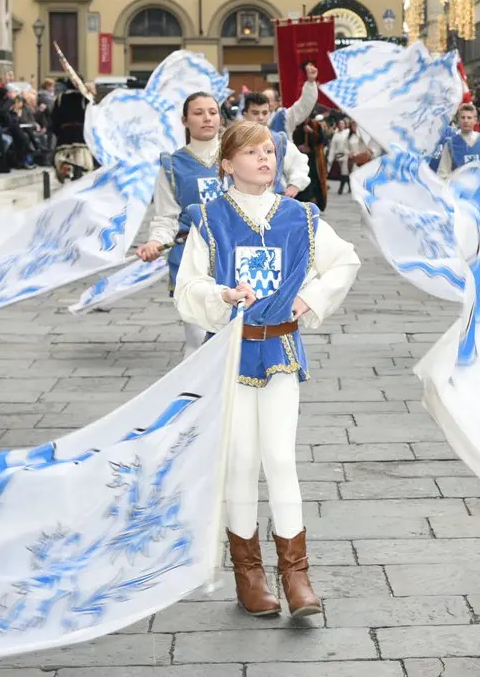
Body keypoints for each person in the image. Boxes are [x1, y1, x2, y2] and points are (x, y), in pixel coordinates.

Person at [175, 120, 361, 618]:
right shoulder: (210, 219)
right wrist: (221, 295)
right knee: (239, 462)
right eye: (252, 152)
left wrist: (309, 296)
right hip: (231, 355)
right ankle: (249, 576)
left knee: (279, 458)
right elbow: (186, 288)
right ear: (228, 164)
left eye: (269, 151)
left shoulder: (300, 216)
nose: (265, 158)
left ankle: (297, 576)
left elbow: (345, 262)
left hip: (280, 351)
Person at [136, 92, 225, 355]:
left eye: (212, 111)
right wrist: (156, 241)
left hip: (236, 253)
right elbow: (166, 215)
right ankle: (195, 393)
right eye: (198, 113)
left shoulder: (240, 155)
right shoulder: (172, 165)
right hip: (191, 254)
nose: (207, 118)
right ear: (185, 120)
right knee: (198, 336)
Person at [241, 93, 311, 198]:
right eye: (255, 113)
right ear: (245, 114)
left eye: (264, 113)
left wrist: (295, 185)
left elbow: (298, 164)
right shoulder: (234, 141)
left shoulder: (279, 141)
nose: (260, 117)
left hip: (274, 202)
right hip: (241, 201)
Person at [437, 102, 480, 175]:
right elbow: (443, 172)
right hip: (458, 185)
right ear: (458, 120)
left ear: (475, 120)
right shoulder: (450, 144)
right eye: (463, 117)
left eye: (469, 118)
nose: (466, 121)